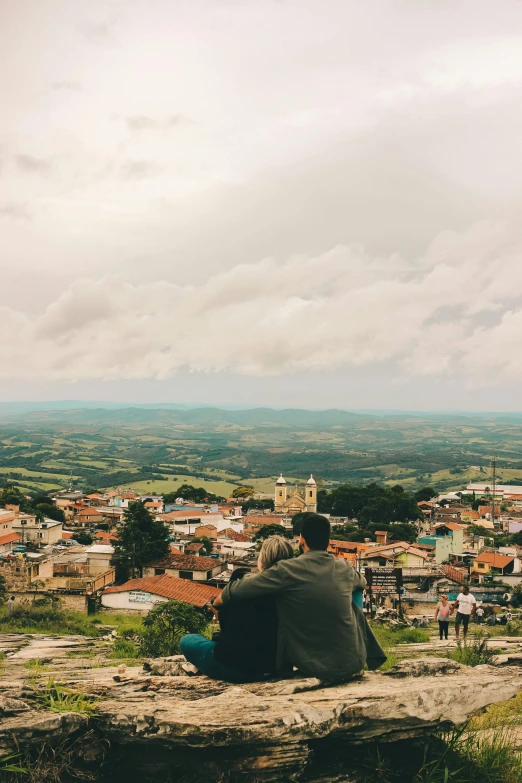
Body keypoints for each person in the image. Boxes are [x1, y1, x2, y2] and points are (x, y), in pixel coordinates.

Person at [215, 512, 386, 682]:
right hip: (353, 663)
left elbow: (240, 589)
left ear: (302, 540)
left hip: (314, 666)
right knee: (353, 594)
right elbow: (361, 583)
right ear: (328, 542)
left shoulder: (287, 570)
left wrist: (218, 600)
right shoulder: (343, 567)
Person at [180, 536, 294, 682]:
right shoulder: (292, 595)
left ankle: (202, 667)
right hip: (270, 667)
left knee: (188, 640)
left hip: (232, 667)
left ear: (263, 559)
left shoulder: (241, 588)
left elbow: (226, 627)